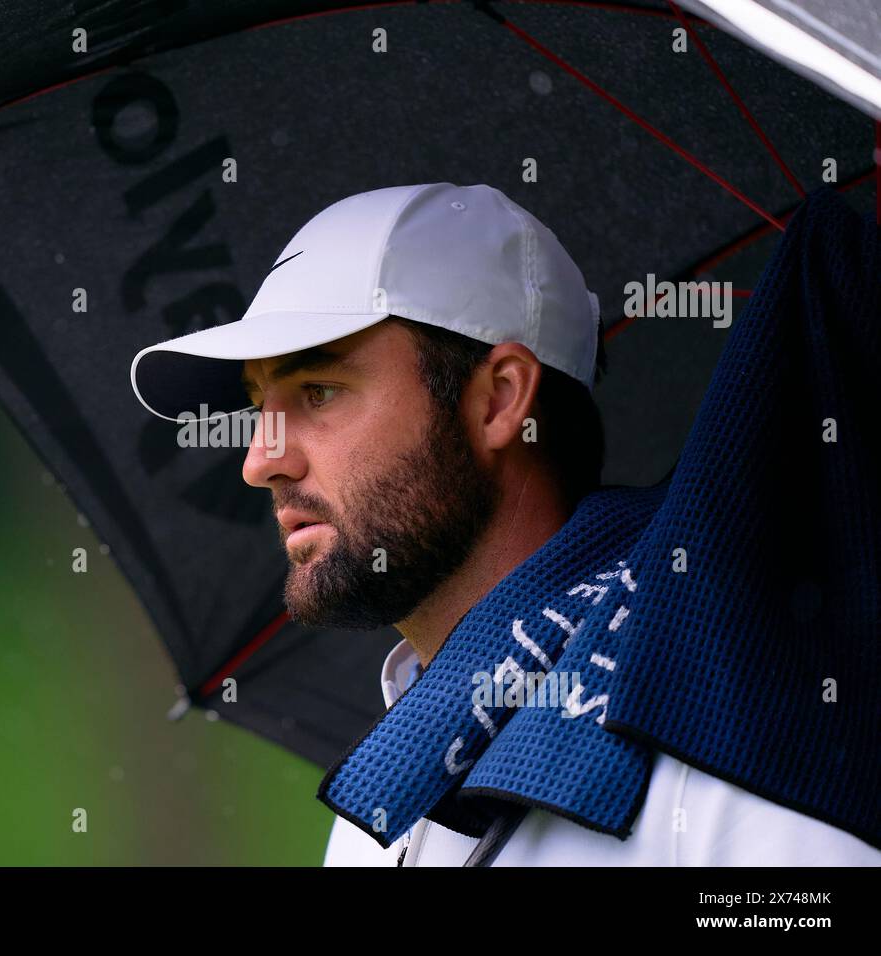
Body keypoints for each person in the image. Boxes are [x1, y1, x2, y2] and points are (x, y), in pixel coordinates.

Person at [128, 182, 881, 866]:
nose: (260, 461)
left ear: (499, 401)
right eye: (261, 406)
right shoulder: (380, 805)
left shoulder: (734, 745)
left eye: (318, 391)